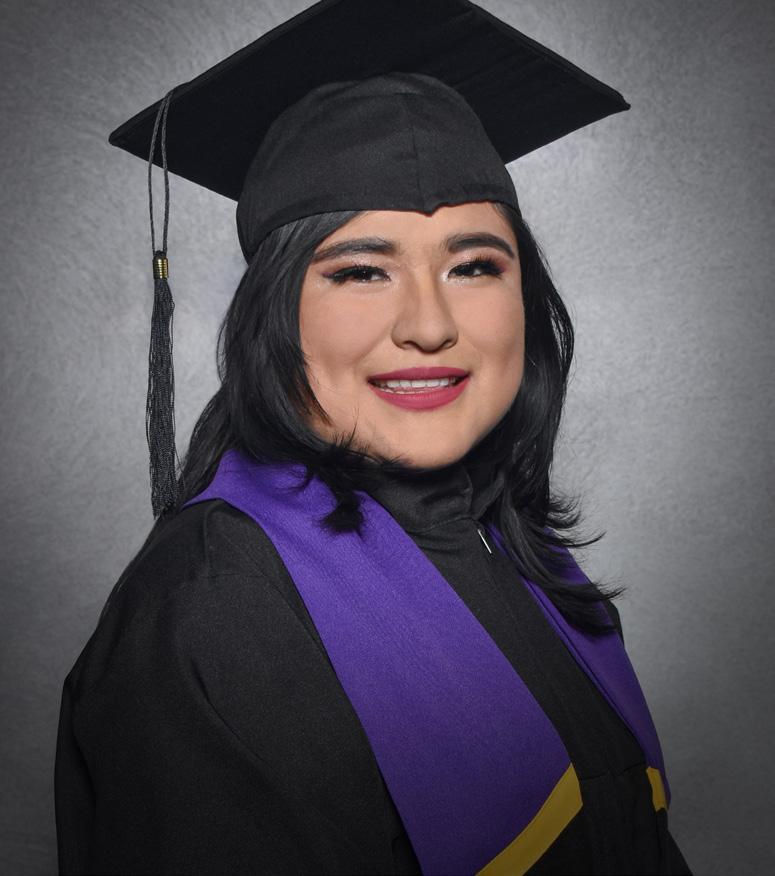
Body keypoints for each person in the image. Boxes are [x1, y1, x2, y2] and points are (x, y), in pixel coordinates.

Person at [54, 1, 692, 873]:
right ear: (273, 313)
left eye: (474, 265)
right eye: (361, 271)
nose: (429, 325)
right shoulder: (214, 614)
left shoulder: (506, 543)